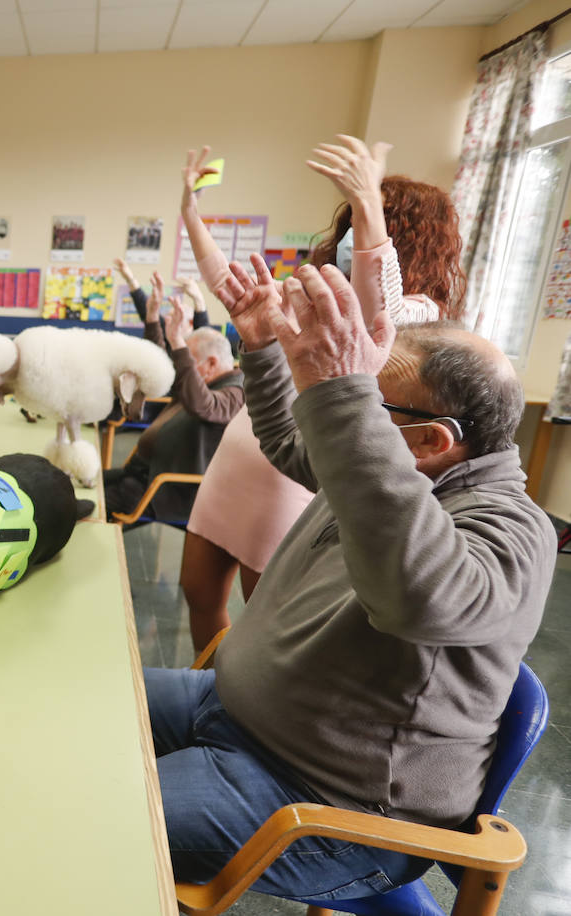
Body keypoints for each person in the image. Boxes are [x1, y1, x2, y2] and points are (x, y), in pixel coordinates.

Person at [149, 259, 554, 902]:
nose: (352, 418)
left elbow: (419, 596)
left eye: (368, 400)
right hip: (233, 713)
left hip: (325, 805)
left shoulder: (514, 532)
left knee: (83, 807)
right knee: (76, 711)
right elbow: (290, 439)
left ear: (426, 440)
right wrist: (261, 346)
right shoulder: (392, 466)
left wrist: (342, 397)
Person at [177, 137, 466, 650]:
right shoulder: (318, 287)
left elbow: (382, 309)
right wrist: (190, 212)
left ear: (405, 236)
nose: (351, 229)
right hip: (239, 455)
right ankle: (203, 682)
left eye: (367, 217)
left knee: (261, 621)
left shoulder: (420, 314)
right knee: (198, 591)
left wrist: (367, 202)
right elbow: (229, 283)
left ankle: (230, 705)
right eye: (352, 218)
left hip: (286, 470)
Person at [103, 272, 242, 522]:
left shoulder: (237, 391)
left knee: (88, 502)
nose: (182, 368)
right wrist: (153, 318)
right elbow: (160, 368)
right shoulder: (201, 380)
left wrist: (178, 342)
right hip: (144, 475)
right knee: (82, 483)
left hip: (167, 491)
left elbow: (206, 407)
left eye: (189, 360)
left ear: (211, 363)